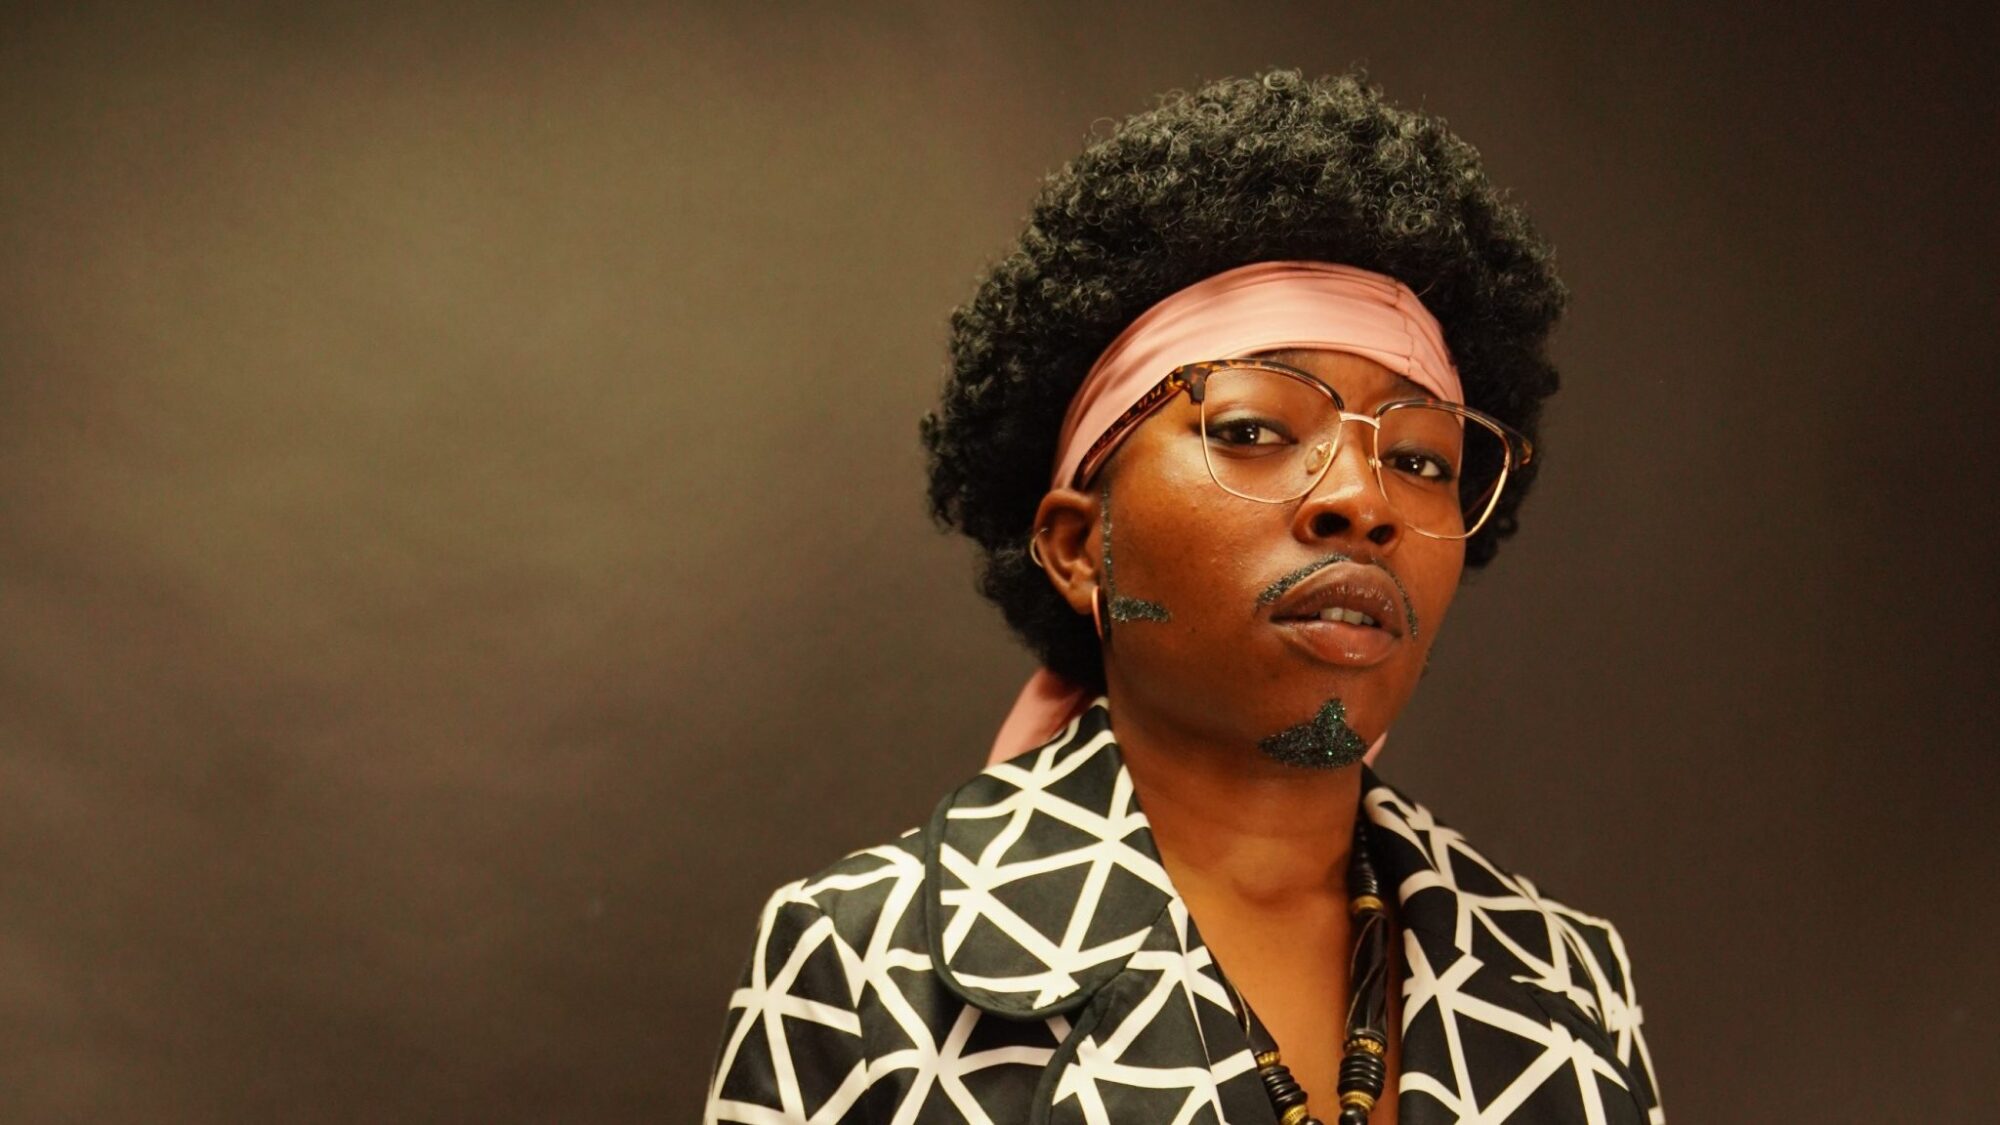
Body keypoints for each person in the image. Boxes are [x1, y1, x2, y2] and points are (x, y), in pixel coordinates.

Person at [702, 70, 1663, 1125]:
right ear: (1081, 549)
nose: (1363, 500)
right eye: (1251, 429)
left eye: (1422, 461)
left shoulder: (1568, 979)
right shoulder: (864, 966)